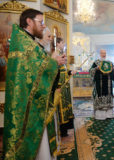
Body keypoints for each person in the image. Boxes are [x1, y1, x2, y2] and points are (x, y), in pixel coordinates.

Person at [3, 9, 67, 160]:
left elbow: (37, 68)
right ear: (29, 22)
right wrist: (54, 62)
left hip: (34, 102)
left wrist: (54, 63)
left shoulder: (28, 41)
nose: (44, 26)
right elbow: (36, 70)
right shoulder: (25, 43)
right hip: (28, 105)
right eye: (41, 22)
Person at [54, 37, 75, 137]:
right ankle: (62, 130)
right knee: (61, 105)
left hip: (65, 85)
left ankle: (65, 128)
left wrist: (71, 72)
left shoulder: (61, 54)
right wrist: (57, 85)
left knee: (66, 104)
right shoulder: (55, 54)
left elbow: (64, 70)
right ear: (58, 43)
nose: (63, 45)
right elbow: (54, 70)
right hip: (60, 85)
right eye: (62, 43)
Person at [89, 49, 114, 120]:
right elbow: (91, 71)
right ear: (99, 54)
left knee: (108, 96)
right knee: (99, 95)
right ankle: (100, 115)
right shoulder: (96, 62)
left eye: (105, 53)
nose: (104, 55)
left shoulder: (109, 62)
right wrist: (96, 69)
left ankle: (109, 114)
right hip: (99, 84)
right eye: (102, 53)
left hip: (108, 84)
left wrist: (113, 69)